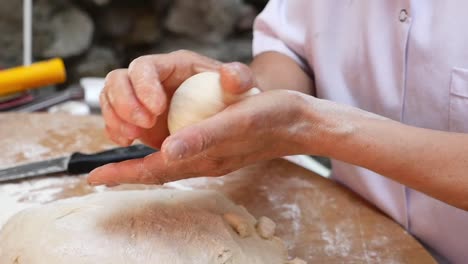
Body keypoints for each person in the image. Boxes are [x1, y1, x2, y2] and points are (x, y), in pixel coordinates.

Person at [88, 1, 468, 262]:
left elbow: (303, 119)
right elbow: (292, 49)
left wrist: (310, 127)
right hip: (360, 241)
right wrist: (234, 98)